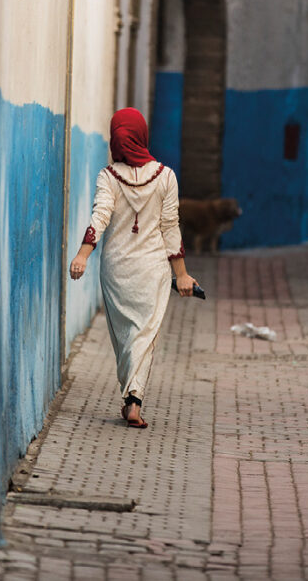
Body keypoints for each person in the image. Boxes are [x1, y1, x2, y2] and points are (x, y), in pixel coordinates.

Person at [68, 107, 198, 429]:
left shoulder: (108, 177)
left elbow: (99, 217)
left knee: (124, 337)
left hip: (116, 269)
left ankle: (131, 396)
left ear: (115, 137)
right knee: (145, 335)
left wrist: (83, 255)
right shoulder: (166, 177)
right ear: (142, 134)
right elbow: (171, 227)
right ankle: (135, 399)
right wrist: (180, 274)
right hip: (153, 268)